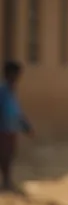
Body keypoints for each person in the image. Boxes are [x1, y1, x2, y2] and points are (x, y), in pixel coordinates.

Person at [0, 60, 33, 192]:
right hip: (3, 129)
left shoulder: (12, 91)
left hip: (11, 129)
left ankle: (7, 181)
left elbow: (16, 112)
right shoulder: (3, 91)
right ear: (9, 74)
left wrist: (26, 126)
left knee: (9, 156)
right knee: (4, 156)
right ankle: (6, 182)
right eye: (16, 74)